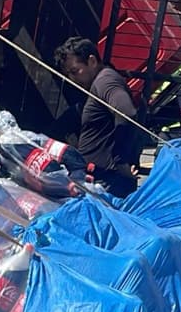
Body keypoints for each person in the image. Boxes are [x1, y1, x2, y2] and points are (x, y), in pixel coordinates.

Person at [54, 37, 143, 196]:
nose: (72, 79)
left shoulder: (105, 81)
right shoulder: (98, 83)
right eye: (68, 74)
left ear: (92, 61)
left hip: (109, 180)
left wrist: (120, 160)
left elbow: (127, 112)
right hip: (100, 177)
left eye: (75, 71)